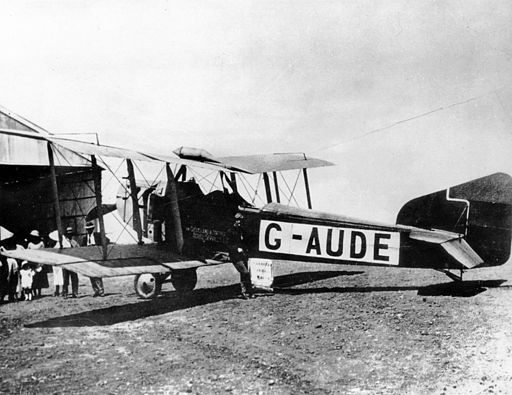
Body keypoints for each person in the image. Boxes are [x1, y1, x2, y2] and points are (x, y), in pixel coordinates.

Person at [226, 213, 254, 299]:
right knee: (245, 272)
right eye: (237, 220)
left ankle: (248, 292)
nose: (239, 222)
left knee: (245, 274)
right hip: (235, 256)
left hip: (243, 255)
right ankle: (245, 291)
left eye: (240, 220)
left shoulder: (241, 230)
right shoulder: (230, 231)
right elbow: (228, 245)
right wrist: (237, 248)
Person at [81, 221, 105, 297]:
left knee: (97, 274)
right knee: (91, 274)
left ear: (93, 229)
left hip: (96, 256)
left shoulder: (98, 236)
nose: (89, 230)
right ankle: (96, 290)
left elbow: (104, 242)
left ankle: (101, 290)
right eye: (88, 229)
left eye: (90, 229)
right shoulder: (85, 238)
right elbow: (82, 248)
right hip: (89, 257)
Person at [27, 230, 48, 298]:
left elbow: (44, 252)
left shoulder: (41, 243)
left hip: (39, 262)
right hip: (32, 262)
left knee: (39, 278)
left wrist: (42, 262)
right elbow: (27, 252)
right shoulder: (30, 244)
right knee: (33, 278)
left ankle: (39, 292)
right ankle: (34, 293)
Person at [62, 227, 79, 298]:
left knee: (74, 278)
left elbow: (78, 251)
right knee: (65, 279)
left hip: (73, 263)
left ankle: (75, 292)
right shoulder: (63, 242)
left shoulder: (74, 242)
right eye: (68, 234)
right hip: (65, 263)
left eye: (71, 234)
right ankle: (65, 293)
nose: (70, 235)